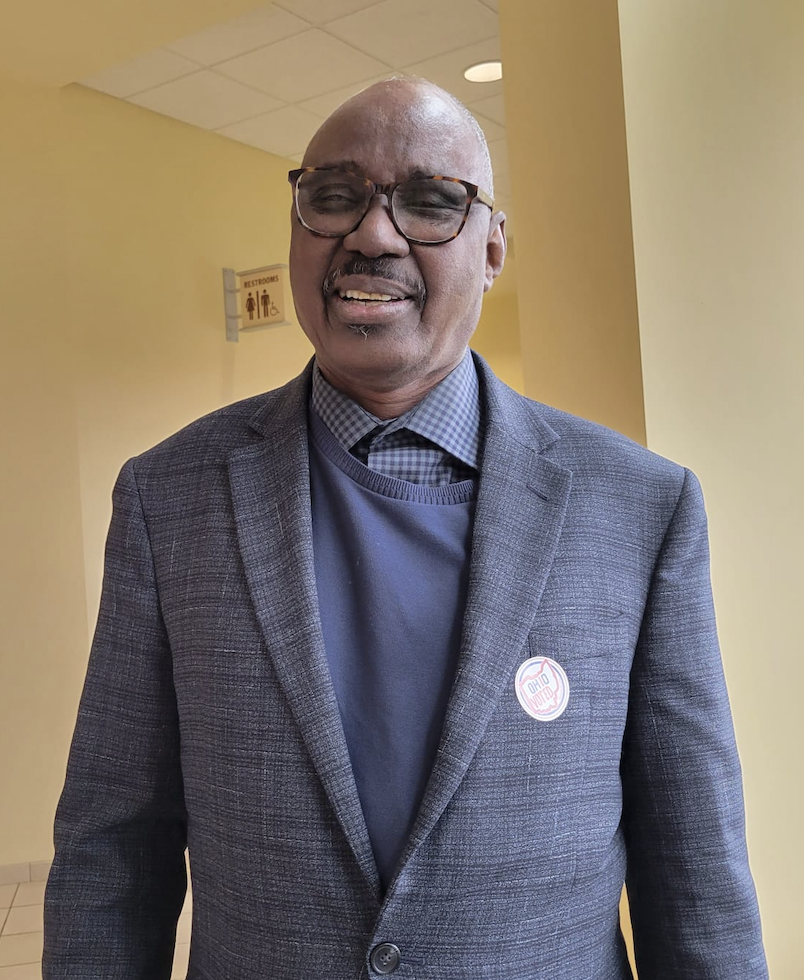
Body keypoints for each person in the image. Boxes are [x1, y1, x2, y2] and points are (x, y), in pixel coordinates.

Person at [43, 78, 767, 979]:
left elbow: (695, 872)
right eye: (333, 196)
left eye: (430, 202)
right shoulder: (169, 498)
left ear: (492, 249)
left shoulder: (639, 508)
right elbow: (113, 851)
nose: (373, 236)